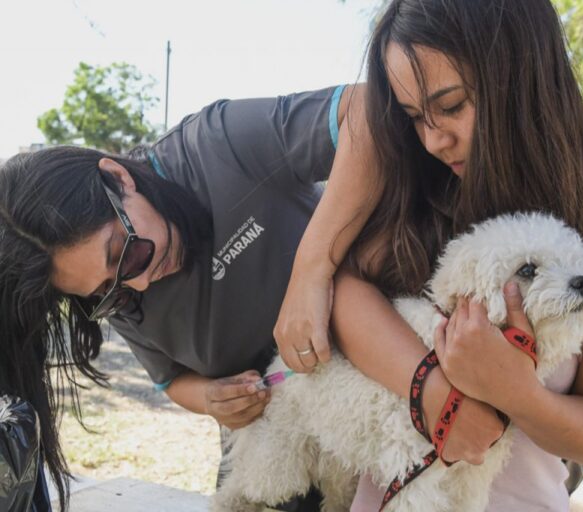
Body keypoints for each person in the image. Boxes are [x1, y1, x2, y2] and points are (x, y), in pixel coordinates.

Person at [275, 1, 583, 510]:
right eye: (413, 118)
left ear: (524, 77)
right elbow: (348, 291)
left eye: (450, 106)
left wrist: (516, 392)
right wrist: (432, 389)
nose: (433, 139)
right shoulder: (424, 192)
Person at [0, 85, 377, 511]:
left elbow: (364, 109)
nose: (139, 285)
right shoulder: (121, 295)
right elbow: (170, 380)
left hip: (374, 378)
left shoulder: (217, 144)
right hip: (270, 437)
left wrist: (312, 273)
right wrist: (212, 399)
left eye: (125, 252)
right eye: (107, 291)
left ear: (119, 179)